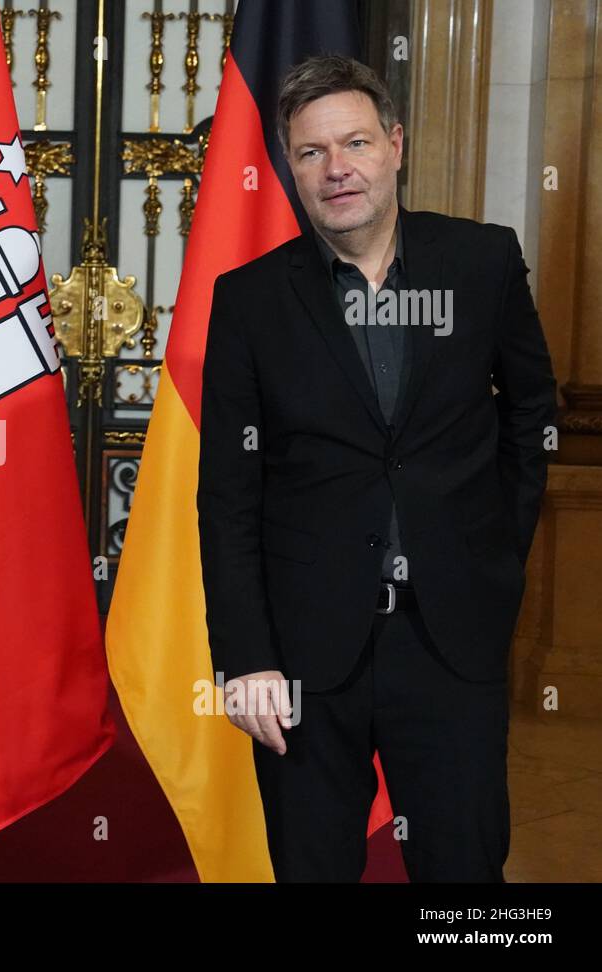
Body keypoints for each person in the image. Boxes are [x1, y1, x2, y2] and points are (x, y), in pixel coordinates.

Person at [197, 54, 556, 881]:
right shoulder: (249, 300)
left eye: (355, 142)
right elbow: (228, 492)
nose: (338, 169)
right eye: (313, 152)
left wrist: (495, 548)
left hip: (451, 634)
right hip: (303, 649)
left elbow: (532, 414)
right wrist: (247, 656)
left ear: (395, 145)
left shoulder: (483, 262)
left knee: (464, 874)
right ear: (291, 167)